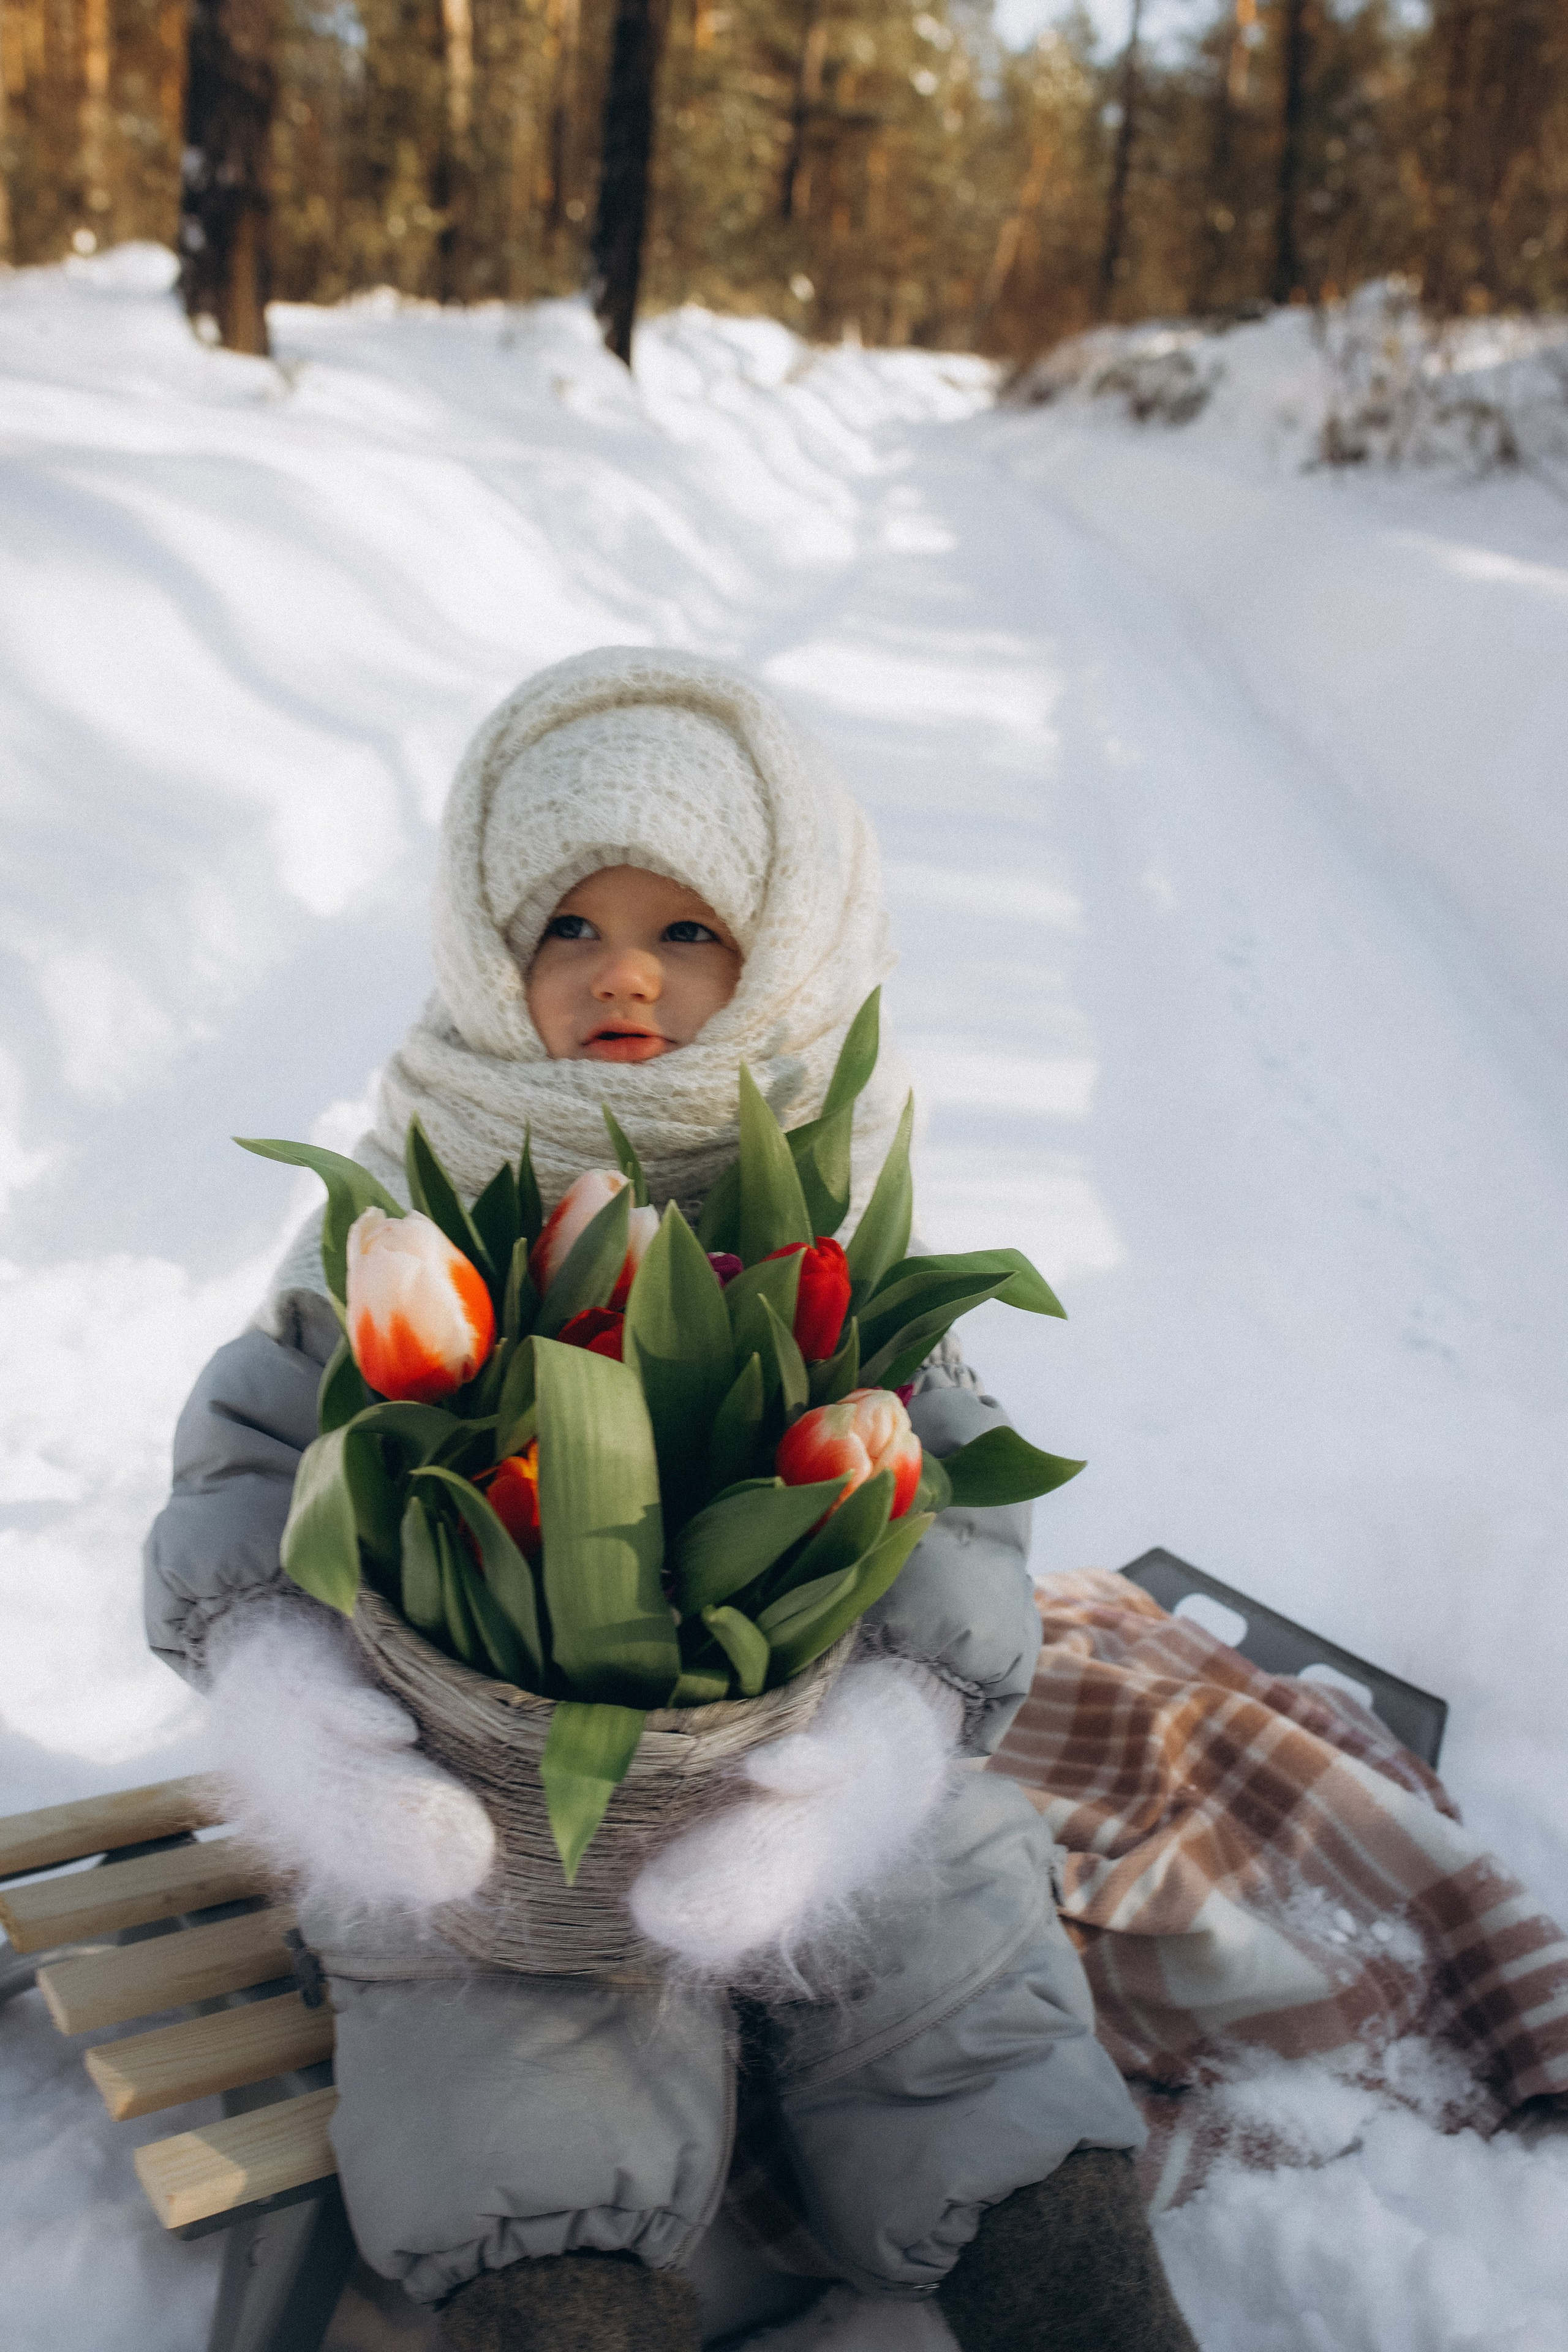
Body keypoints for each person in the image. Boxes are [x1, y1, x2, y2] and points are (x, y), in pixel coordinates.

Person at [145, 647, 1196, 2352]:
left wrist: (882, 1744)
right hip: (489, 1794)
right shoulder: (419, 1188)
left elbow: (943, 1491)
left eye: (687, 928)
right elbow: (251, 1457)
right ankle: (562, 2299)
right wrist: (290, 1695)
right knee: (482, 2003)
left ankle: (1063, 2270)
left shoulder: (822, 1196)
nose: (620, 970)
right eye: (567, 923)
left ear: (782, 952)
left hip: (780, 1752)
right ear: (488, 950)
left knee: (947, 1923)